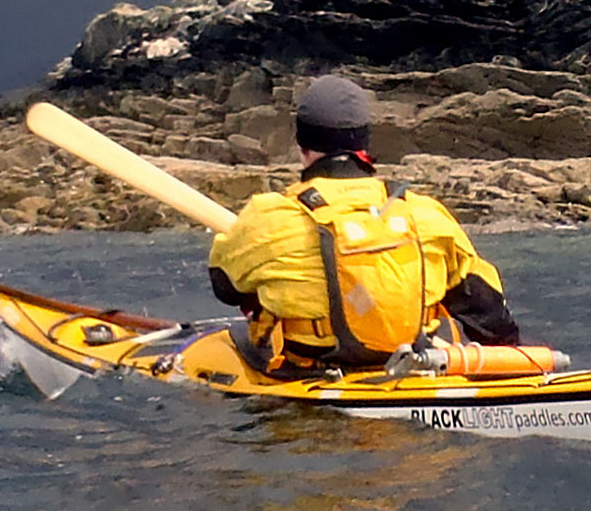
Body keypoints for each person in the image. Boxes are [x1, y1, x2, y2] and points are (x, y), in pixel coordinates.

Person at [208, 74, 520, 370]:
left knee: (231, 340)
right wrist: (512, 362)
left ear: (302, 145)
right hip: (411, 363)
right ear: (364, 146)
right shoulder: (424, 212)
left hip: (308, 378)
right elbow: (485, 305)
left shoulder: (268, 215)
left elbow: (225, 287)